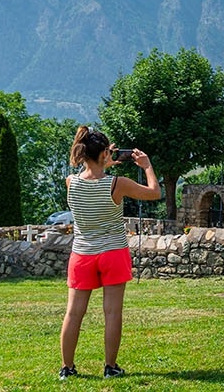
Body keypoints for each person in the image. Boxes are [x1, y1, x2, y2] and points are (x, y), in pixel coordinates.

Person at [59, 126, 161, 381]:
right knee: (112, 312)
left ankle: (67, 368)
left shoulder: (71, 183)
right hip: (113, 252)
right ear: (105, 152)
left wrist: (103, 162)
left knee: (73, 313)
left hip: (82, 254)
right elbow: (155, 193)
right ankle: (110, 366)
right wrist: (146, 165)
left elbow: (90, 179)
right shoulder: (118, 184)